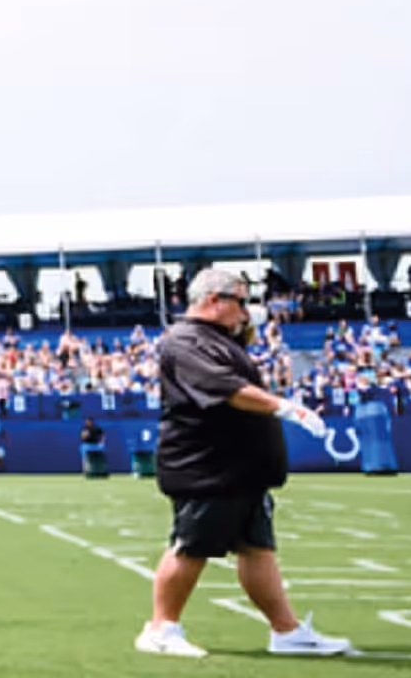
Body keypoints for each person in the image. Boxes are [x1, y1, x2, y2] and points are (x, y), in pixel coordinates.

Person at [136, 269, 351, 659]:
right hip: (206, 465)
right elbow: (226, 390)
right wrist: (285, 407)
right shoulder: (184, 341)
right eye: (240, 301)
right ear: (213, 299)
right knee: (191, 545)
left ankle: (286, 631)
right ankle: (160, 627)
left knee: (256, 547)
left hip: (239, 467)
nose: (246, 311)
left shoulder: (216, 339)